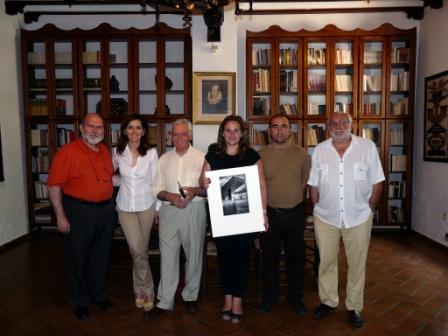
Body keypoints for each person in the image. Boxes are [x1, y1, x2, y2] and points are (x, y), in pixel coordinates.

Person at [308, 112, 385, 328]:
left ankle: (354, 306)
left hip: (359, 217)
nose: (339, 126)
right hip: (325, 217)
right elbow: (313, 183)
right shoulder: (320, 150)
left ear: (351, 124)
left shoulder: (367, 147)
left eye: (343, 122)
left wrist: (369, 208)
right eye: (334, 123)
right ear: (328, 126)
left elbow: (377, 181)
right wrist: (316, 208)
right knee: (327, 262)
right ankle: (329, 301)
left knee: (357, 263)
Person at [200, 115, 268, 323]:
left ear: (242, 133)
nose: (231, 134)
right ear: (222, 133)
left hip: (246, 218)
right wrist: (204, 182)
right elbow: (203, 182)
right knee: (225, 259)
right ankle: (227, 298)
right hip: (222, 219)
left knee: (241, 259)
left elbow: (262, 186)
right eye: (228, 130)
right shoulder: (212, 156)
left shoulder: (252, 156)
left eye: (236, 130)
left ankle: (237, 300)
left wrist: (264, 213)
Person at [47, 113, 115, 320]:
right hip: (78, 212)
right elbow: (54, 185)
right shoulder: (67, 152)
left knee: (100, 256)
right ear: (81, 128)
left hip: (105, 211)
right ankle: (79, 300)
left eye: (99, 127)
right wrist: (60, 216)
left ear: (104, 131)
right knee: (77, 258)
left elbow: (109, 179)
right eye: (91, 126)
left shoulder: (104, 151)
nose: (95, 131)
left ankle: (98, 295)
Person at [149, 118, 207, 317]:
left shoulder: (202, 157)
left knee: (194, 257)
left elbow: (209, 190)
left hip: (194, 211)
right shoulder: (164, 159)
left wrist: (195, 190)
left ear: (190, 135)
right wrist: (169, 196)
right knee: (167, 257)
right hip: (168, 212)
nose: (179, 137)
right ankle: (165, 300)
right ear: (170, 137)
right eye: (175, 134)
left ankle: (190, 296)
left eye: (184, 134)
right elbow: (156, 188)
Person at [258, 113, 311, 315]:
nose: (280, 130)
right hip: (270, 214)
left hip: (295, 214)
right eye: (275, 126)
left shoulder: (302, 155)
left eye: (284, 126)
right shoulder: (260, 155)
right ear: (269, 130)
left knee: (295, 259)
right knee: (269, 260)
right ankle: (269, 298)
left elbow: (304, 181)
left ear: (290, 129)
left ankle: (295, 299)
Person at [112, 114, 158, 313]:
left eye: (138, 127)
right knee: (136, 249)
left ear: (144, 131)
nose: (134, 131)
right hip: (124, 207)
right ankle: (147, 290)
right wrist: (124, 183)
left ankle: (139, 290)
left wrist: (158, 209)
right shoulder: (117, 152)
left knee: (141, 250)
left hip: (147, 205)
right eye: (130, 127)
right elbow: (107, 174)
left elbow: (156, 181)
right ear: (124, 131)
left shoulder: (152, 154)